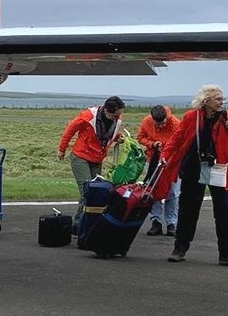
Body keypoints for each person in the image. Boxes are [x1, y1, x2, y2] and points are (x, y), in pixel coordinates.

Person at [152, 84, 228, 267]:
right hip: (194, 167)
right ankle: (180, 248)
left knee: (225, 211)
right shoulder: (191, 117)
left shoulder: (227, 116)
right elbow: (176, 138)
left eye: (222, 99)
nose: (222, 102)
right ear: (206, 101)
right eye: (218, 99)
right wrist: (164, 157)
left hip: (219, 168)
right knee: (188, 210)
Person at [58, 95, 126, 234]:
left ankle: (90, 224)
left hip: (97, 159)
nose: (118, 117)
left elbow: (109, 134)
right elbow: (70, 130)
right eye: (115, 115)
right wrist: (62, 149)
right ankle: (78, 226)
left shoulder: (116, 119)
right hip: (81, 157)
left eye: (119, 114)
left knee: (97, 193)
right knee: (87, 192)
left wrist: (117, 138)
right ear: (107, 111)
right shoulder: (88, 116)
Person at [135, 103, 180, 237]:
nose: (160, 126)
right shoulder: (146, 121)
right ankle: (156, 222)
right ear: (152, 119)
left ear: (167, 117)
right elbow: (140, 137)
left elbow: (180, 143)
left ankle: (171, 224)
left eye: (163, 123)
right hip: (152, 160)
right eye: (157, 124)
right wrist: (152, 144)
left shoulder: (177, 124)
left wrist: (166, 151)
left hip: (171, 163)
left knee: (172, 193)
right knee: (152, 191)